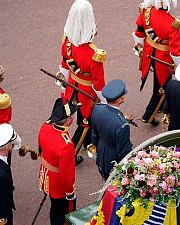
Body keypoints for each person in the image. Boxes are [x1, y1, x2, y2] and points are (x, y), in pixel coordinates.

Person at [57, 0, 106, 165]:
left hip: (72, 84)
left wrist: (64, 84)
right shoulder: (94, 54)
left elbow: (64, 65)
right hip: (87, 90)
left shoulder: (67, 43)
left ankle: (86, 142)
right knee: (86, 122)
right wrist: (105, 101)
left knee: (79, 115)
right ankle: (71, 155)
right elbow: (99, 83)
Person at [132, 0, 180, 126]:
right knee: (162, 88)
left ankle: (161, 106)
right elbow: (175, 50)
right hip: (163, 59)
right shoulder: (172, 24)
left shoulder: (147, 11)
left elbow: (139, 31)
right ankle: (149, 115)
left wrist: (139, 48)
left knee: (158, 82)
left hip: (149, 53)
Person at [38, 98, 80, 225]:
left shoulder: (46, 125)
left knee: (55, 208)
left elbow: (40, 149)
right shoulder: (66, 144)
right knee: (62, 214)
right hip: (58, 185)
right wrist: (70, 193)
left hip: (46, 176)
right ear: (68, 121)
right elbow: (67, 174)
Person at [92, 80, 133, 180]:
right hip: (113, 162)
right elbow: (123, 153)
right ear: (120, 100)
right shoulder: (122, 125)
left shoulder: (97, 109)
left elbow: (94, 135)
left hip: (102, 154)